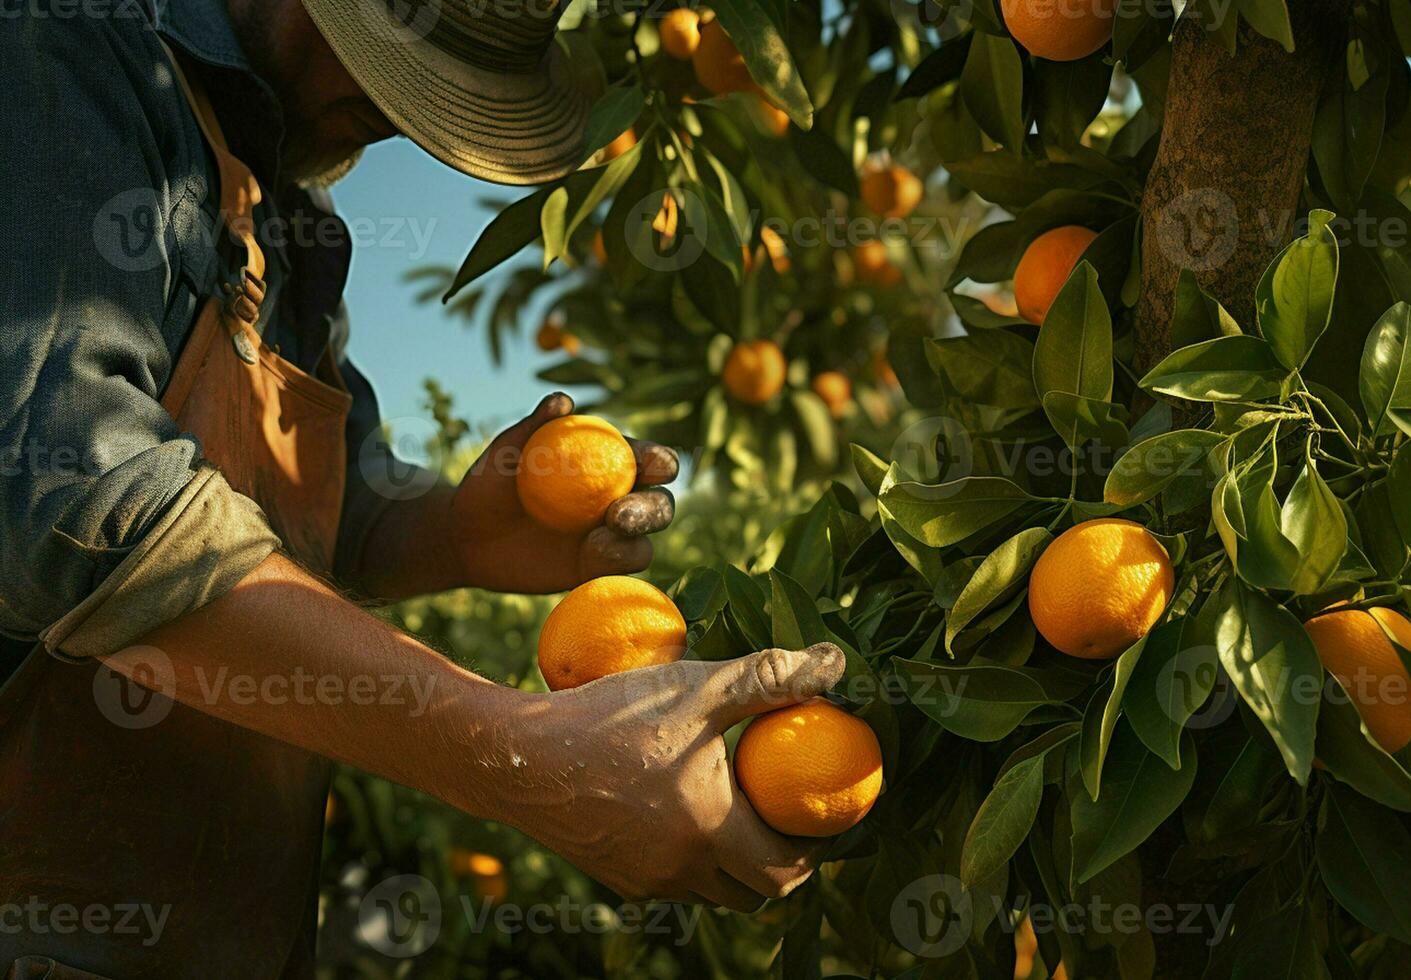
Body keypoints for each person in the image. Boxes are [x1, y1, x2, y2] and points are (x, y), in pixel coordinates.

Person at [0, 1, 843, 975]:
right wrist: (522, 755)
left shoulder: (295, 222)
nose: (403, 122)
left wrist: (459, 531)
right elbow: (62, 498)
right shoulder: (65, 57)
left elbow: (323, 516)